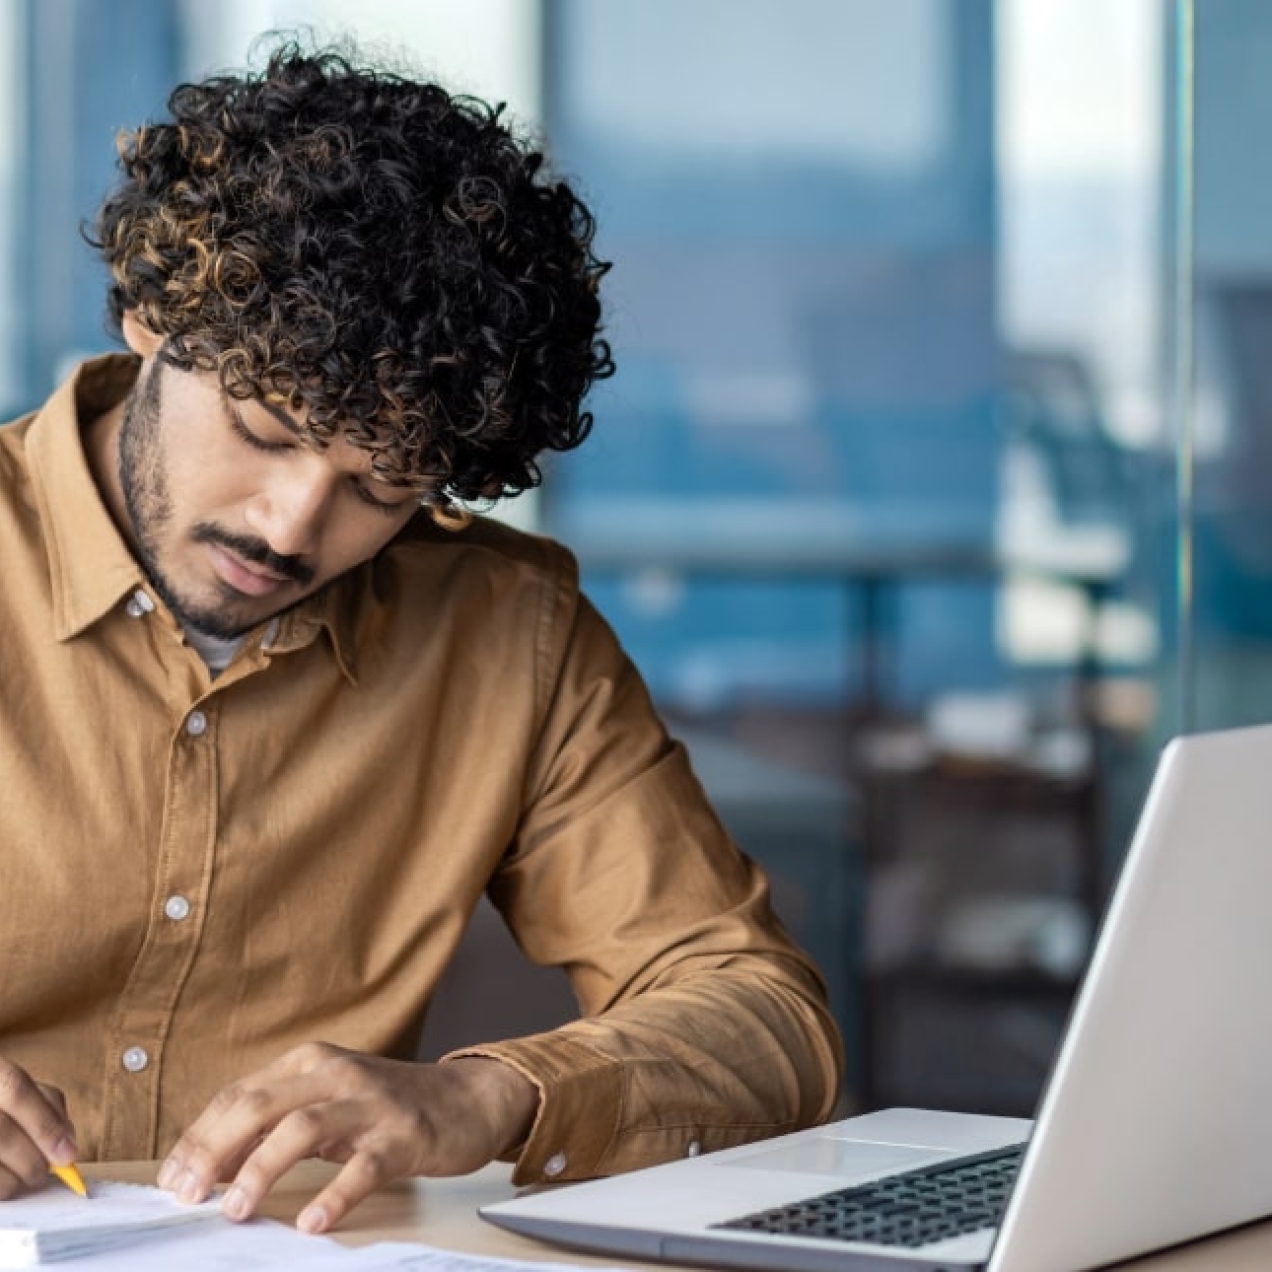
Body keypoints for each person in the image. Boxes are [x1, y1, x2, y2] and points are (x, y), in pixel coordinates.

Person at [0, 40, 844, 1234]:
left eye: (383, 487)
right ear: (153, 314)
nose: (293, 526)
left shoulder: (512, 635)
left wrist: (491, 1097)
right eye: (266, 429)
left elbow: (761, 1014)